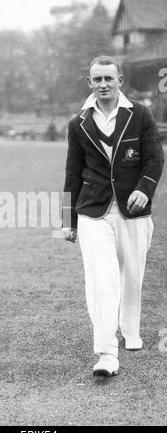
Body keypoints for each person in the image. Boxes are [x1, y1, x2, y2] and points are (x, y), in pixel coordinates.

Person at [62, 55, 164, 377]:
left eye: (109, 78)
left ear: (120, 79)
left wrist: (144, 190)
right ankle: (106, 352)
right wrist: (68, 221)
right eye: (97, 79)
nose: (103, 84)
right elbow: (72, 172)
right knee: (101, 282)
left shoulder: (140, 115)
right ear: (89, 83)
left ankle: (130, 330)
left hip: (133, 211)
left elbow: (154, 158)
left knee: (132, 276)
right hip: (94, 211)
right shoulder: (78, 123)